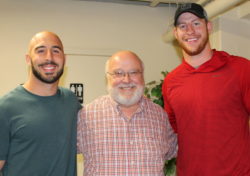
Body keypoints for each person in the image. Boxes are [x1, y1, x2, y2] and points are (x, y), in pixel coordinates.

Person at [162, 3, 250, 176]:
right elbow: (175, 130)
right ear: (176, 34)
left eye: (196, 23)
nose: (190, 30)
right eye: (182, 26)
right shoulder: (171, 82)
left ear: (208, 27)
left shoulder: (241, 69)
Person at [77, 50, 177, 175]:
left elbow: (180, 149)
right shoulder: (86, 115)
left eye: (134, 72)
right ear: (107, 77)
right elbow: (58, 154)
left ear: (142, 75)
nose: (126, 80)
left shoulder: (160, 116)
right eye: (118, 73)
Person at [0, 31, 81, 176]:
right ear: (28, 59)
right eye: (41, 51)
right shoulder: (6, 107)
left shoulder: (71, 101)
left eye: (56, 51)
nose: (49, 57)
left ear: (64, 58)